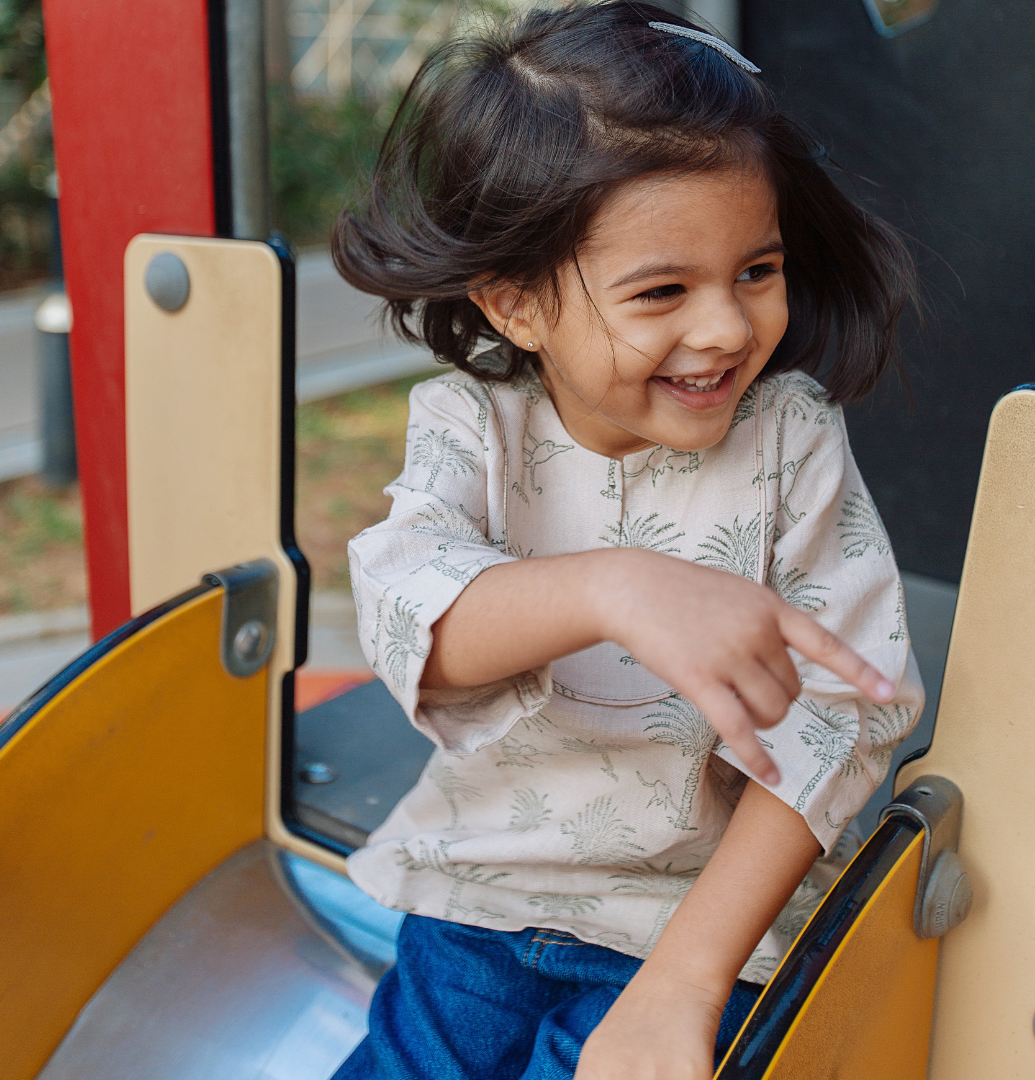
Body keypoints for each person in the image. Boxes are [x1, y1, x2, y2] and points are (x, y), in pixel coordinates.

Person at [329, 3, 924, 1077]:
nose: (728, 329)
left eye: (757, 269)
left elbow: (846, 717)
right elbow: (413, 611)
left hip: (699, 929)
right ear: (516, 304)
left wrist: (685, 984)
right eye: (662, 291)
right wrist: (617, 587)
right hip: (479, 903)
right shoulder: (473, 426)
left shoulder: (787, 435)